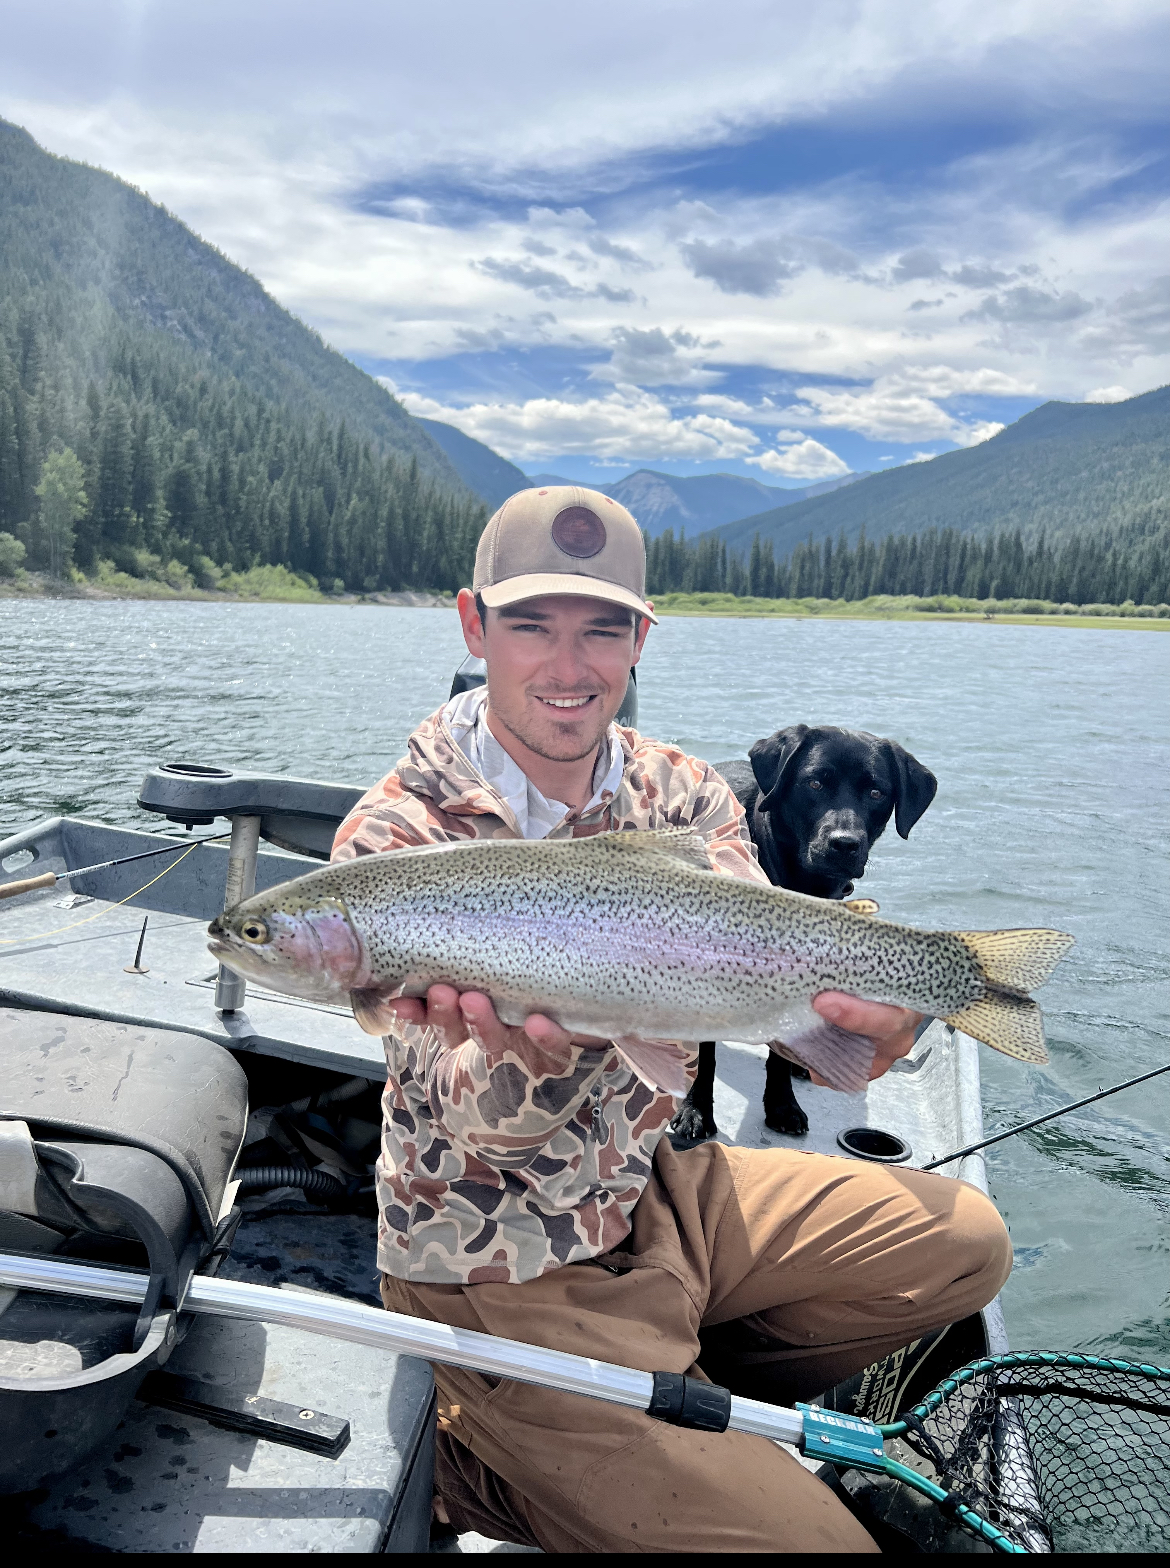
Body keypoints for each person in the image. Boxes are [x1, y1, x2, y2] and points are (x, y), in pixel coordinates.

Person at [332, 486, 1011, 1553]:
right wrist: (531, 1052)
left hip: (652, 1188)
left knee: (965, 1243)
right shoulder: (396, 846)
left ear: (640, 637)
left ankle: (665, 1402)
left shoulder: (683, 790)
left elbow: (767, 971)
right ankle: (491, 1451)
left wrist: (885, 1016)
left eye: (602, 629)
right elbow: (483, 1126)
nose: (568, 667)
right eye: (530, 626)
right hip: (494, 1258)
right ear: (474, 624)